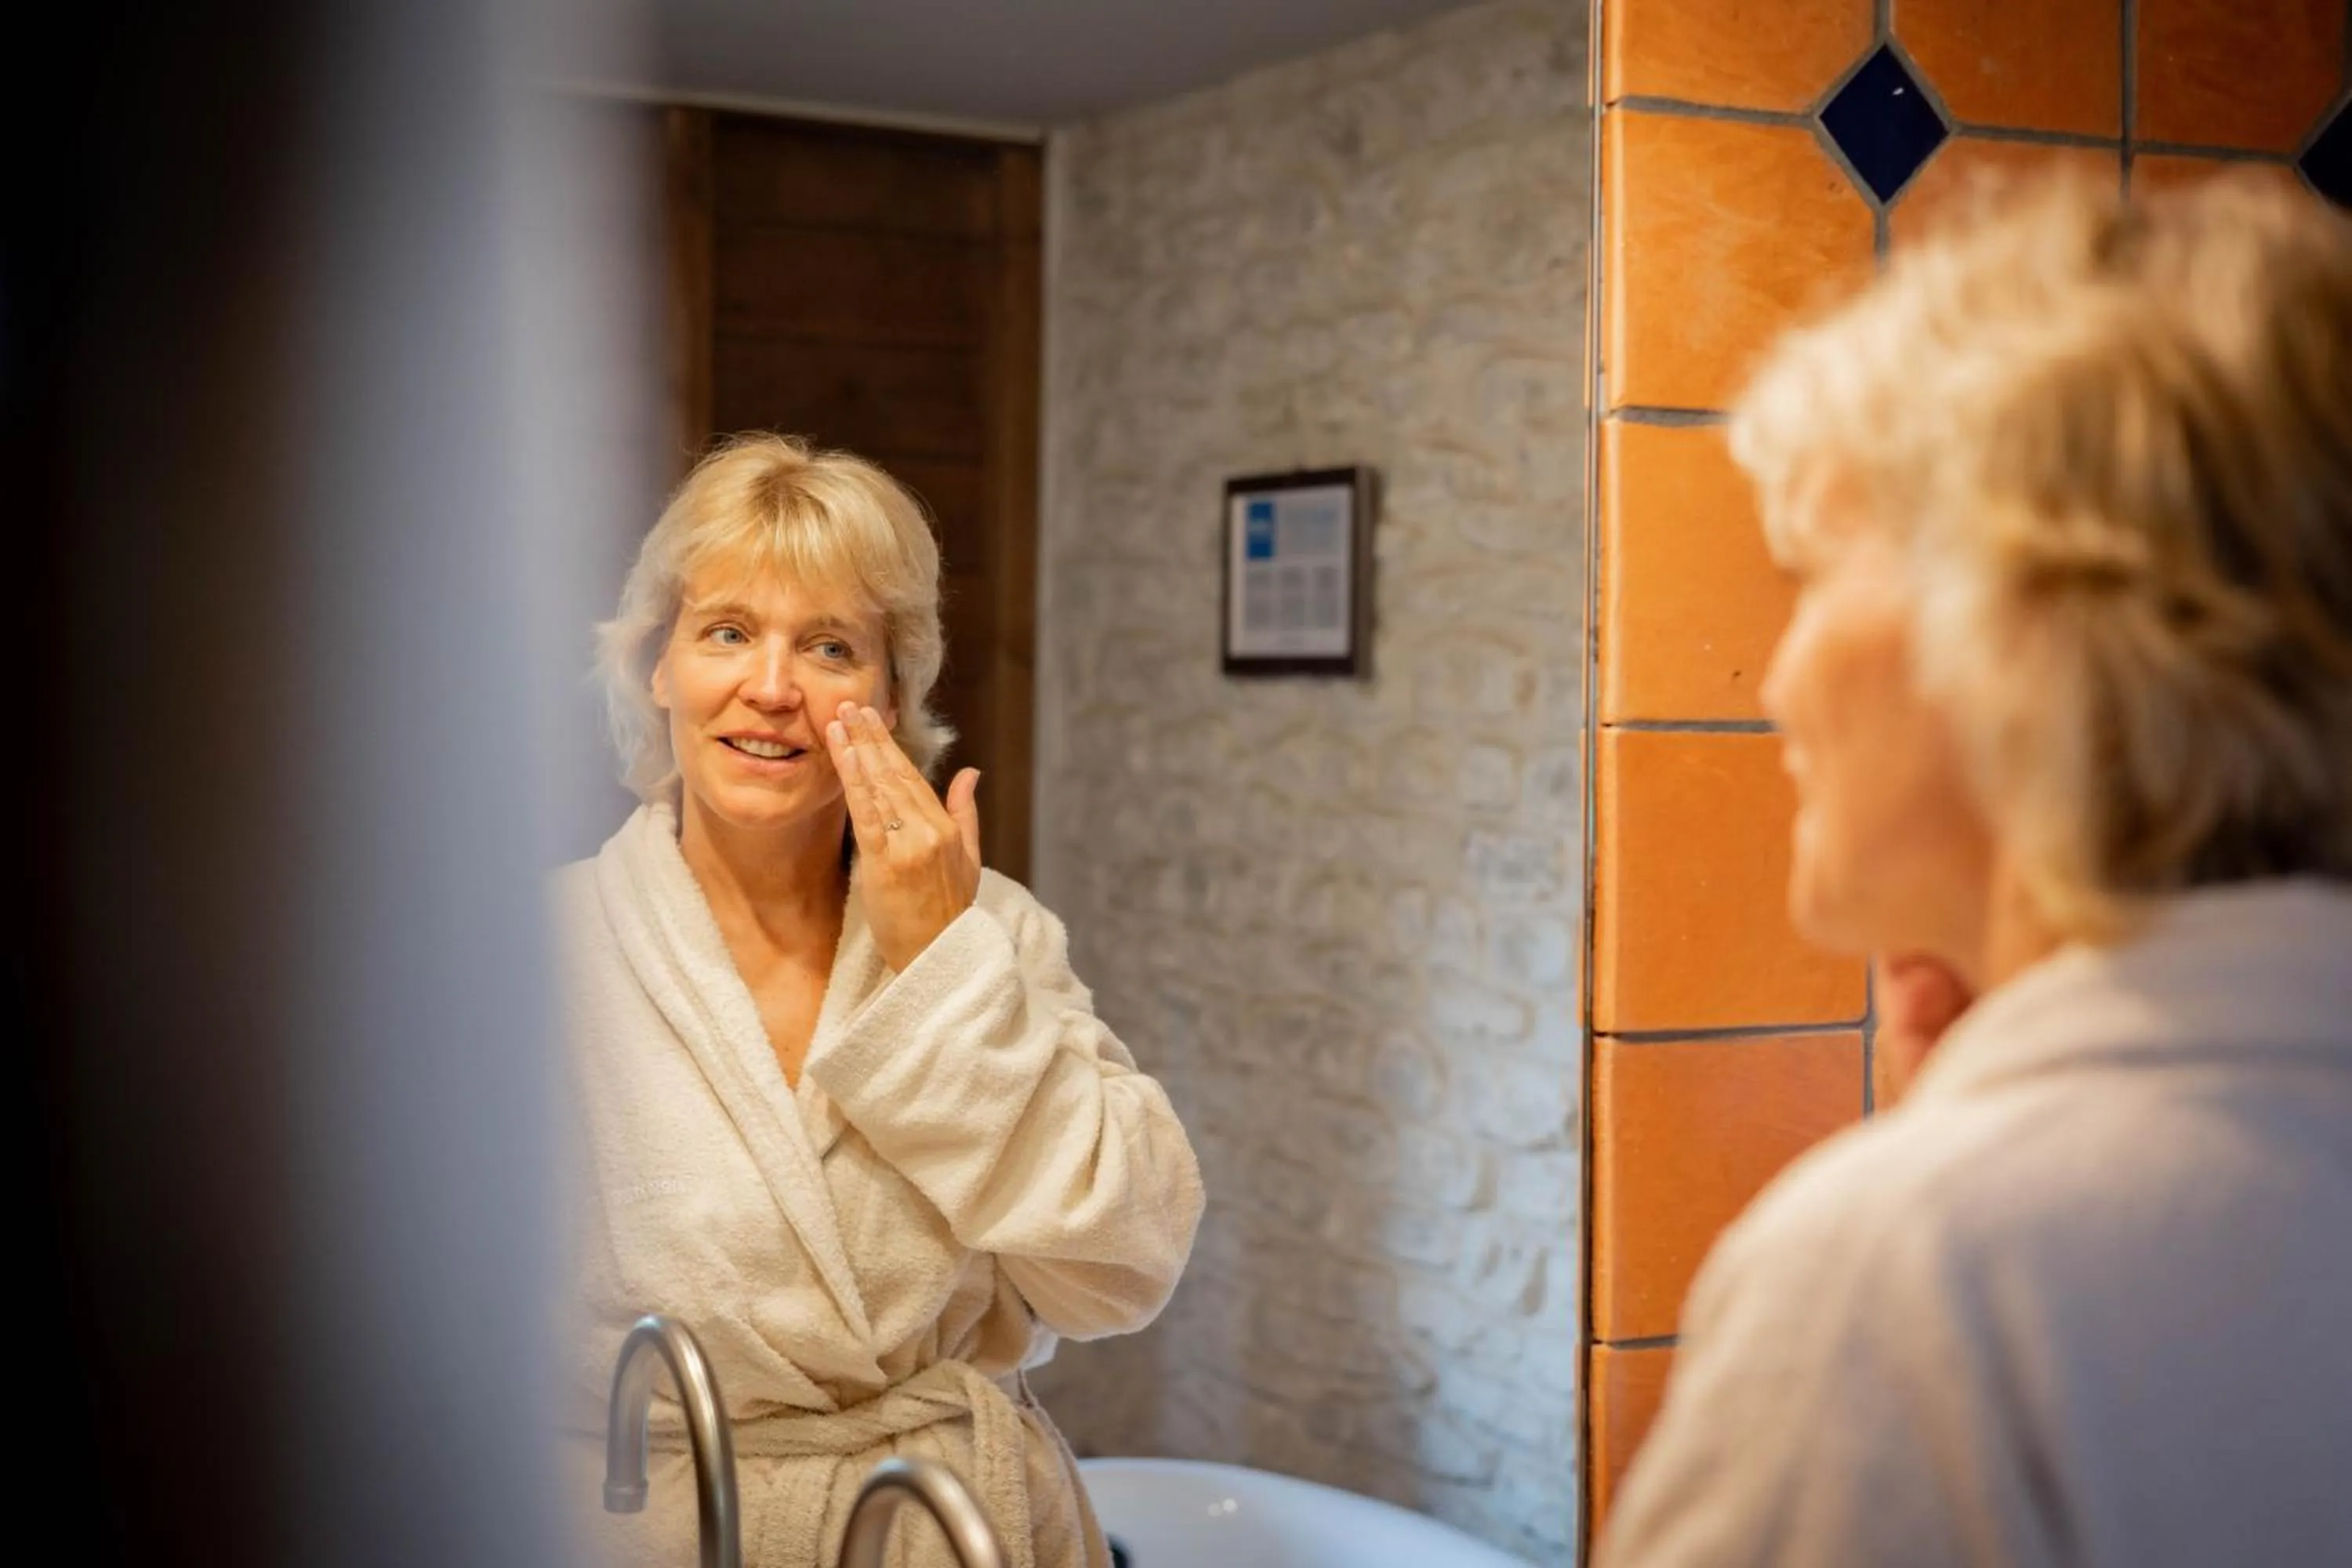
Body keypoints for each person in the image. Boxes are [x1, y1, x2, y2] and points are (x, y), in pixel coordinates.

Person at [1599, 171, 2352, 1566]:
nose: (1772, 683)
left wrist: (1957, 1173)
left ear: (2026, 624)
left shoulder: (1915, 1288)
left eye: (1812, 574)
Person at [553, 433, 1203, 1568]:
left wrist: (942, 970)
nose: (771, 687)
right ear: (658, 666)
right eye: (726, 632)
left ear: (891, 694)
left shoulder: (984, 930)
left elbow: (1124, 1264)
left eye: (830, 646)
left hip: (945, 1526)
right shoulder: (545, 957)